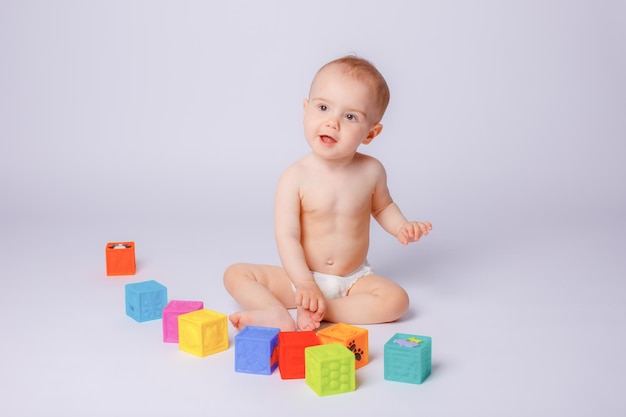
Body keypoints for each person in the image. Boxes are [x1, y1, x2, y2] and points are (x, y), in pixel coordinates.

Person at [223, 55, 432, 332]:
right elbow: (287, 236)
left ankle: (322, 310)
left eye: (350, 116)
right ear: (305, 109)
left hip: (354, 280)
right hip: (301, 277)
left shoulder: (372, 171)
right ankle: (274, 312)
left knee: (397, 301)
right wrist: (305, 284)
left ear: (371, 133)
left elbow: (382, 207)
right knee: (236, 274)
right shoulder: (294, 177)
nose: (333, 123)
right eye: (323, 107)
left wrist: (402, 226)